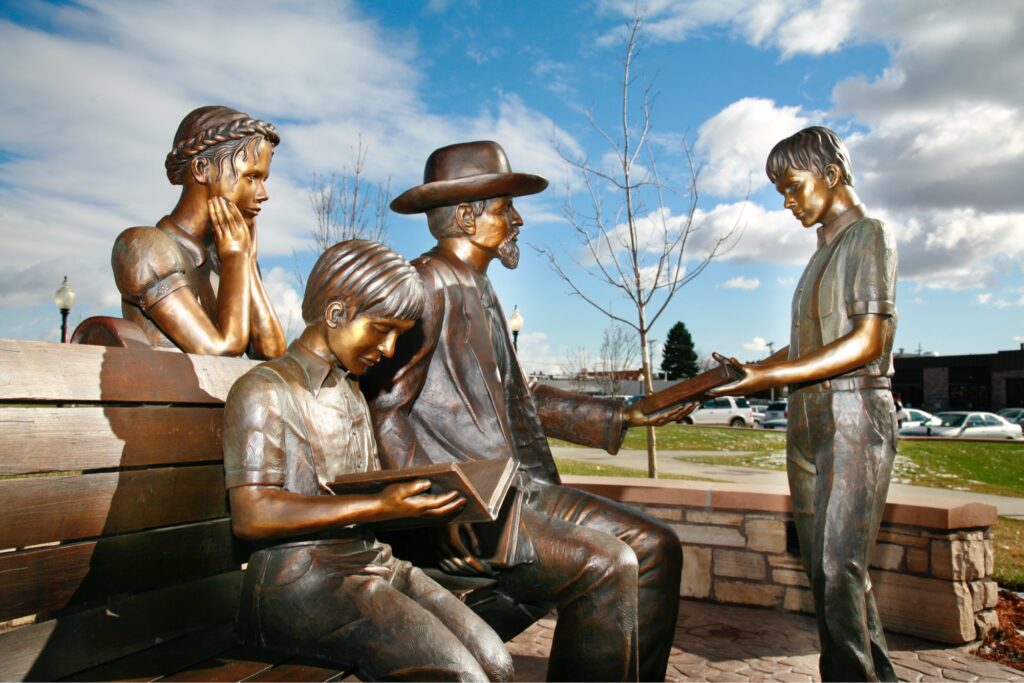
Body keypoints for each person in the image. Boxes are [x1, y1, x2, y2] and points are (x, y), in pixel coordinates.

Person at [363, 141, 690, 682]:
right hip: (466, 507)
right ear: (467, 216)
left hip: (517, 491)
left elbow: (522, 397)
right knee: (608, 566)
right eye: (505, 208)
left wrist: (625, 414)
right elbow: (385, 414)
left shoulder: (480, 288)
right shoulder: (423, 287)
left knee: (658, 548)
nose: (517, 220)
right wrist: (445, 512)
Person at [222, 240, 513, 682]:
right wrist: (381, 506)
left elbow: (361, 486)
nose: (391, 348)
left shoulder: (351, 392)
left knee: (497, 663)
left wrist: (440, 498)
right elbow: (251, 513)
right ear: (337, 314)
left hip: (373, 562)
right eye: (382, 329)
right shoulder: (264, 390)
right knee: (459, 678)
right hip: (299, 583)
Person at [708, 126, 898, 681]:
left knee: (839, 567)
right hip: (808, 419)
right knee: (831, 571)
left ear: (832, 176)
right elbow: (815, 344)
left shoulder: (869, 236)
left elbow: (868, 341)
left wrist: (767, 374)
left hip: (853, 415)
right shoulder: (823, 251)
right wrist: (759, 370)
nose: (788, 203)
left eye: (793, 187)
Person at [110, 105, 286, 358]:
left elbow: (271, 353)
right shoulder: (145, 248)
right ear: (202, 169)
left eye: (263, 180)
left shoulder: (228, 254)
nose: (263, 194)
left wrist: (245, 260)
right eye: (251, 177)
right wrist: (237, 259)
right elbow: (219, 350)